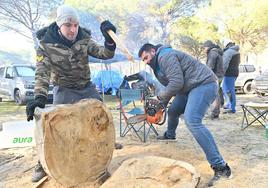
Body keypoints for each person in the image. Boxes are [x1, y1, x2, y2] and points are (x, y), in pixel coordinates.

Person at [26, 5, 122, 183]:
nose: (73, 29)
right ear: (59, 24)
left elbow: (105, 54)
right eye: (68, 25)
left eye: (76, 25)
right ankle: (41, 163)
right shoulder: (45, 44)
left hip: (86, 86)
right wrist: (39, 97)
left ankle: (104, 148)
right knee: (54, 127)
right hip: (64, 88)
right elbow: (42, 72)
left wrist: (109, 40)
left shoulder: (84, 39)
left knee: (101, 119)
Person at [138, 43, 231, 187]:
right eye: (143, 60)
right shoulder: (157, 65)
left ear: (153, 51)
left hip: (203, 84)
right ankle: (170, 134)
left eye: (146, 57)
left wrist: (159, 98)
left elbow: (176, 82)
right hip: (187, 88)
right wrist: (161, 103)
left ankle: (221, 167)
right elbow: (171, 86)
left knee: (192, 120)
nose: (146, 61)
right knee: (173, 111)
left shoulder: (165, 56)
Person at [203, 40, 224, 119]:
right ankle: (216, 111)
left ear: (207, 47)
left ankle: (215, 113)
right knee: (217, 93)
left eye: (204, 48)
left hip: (215, 76)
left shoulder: (212, 53)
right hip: (219, 75)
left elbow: (210, 66)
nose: (204, 50)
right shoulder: (217, 52)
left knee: (214, 94)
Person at [222, 42, 240, 113]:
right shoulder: (236, 52)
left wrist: (222, 72)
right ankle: (229, 104)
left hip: (229, 73)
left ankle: (232, 108)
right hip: (234, 72)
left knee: (229, 90)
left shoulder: (229, 52)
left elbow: (225, 63)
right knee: (225, 88)